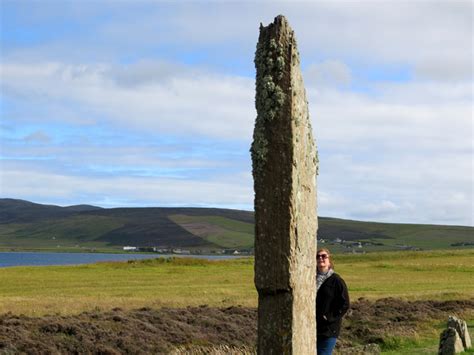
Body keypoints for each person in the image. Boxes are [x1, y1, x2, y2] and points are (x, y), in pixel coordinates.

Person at [316, 248, 350, 355]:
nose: (321, 258)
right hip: (312, 327)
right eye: (318, 256)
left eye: (324, 256)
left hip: (328, 330)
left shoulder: (336, 281)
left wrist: (329, 317)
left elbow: (345, 304)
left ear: (329, 260)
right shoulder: (309, 278)